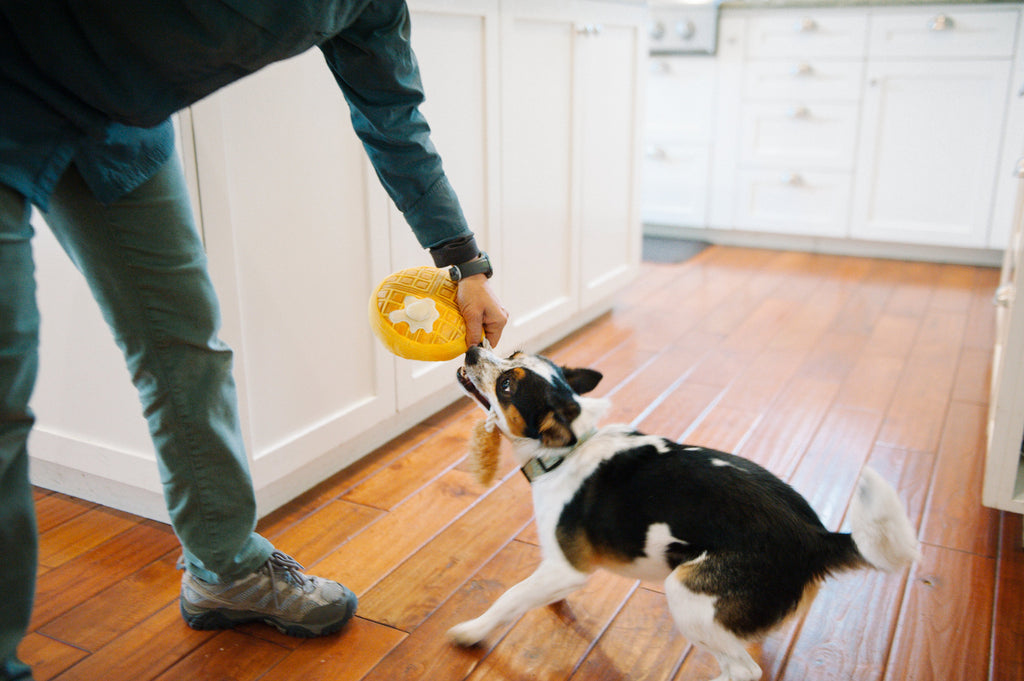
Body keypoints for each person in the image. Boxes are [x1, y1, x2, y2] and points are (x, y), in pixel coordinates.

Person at [0, 2, 509, 678]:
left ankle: (225, 567)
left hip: (119, 126)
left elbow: (395, 119)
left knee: (186, 349)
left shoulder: (373, 7)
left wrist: (466, 263)